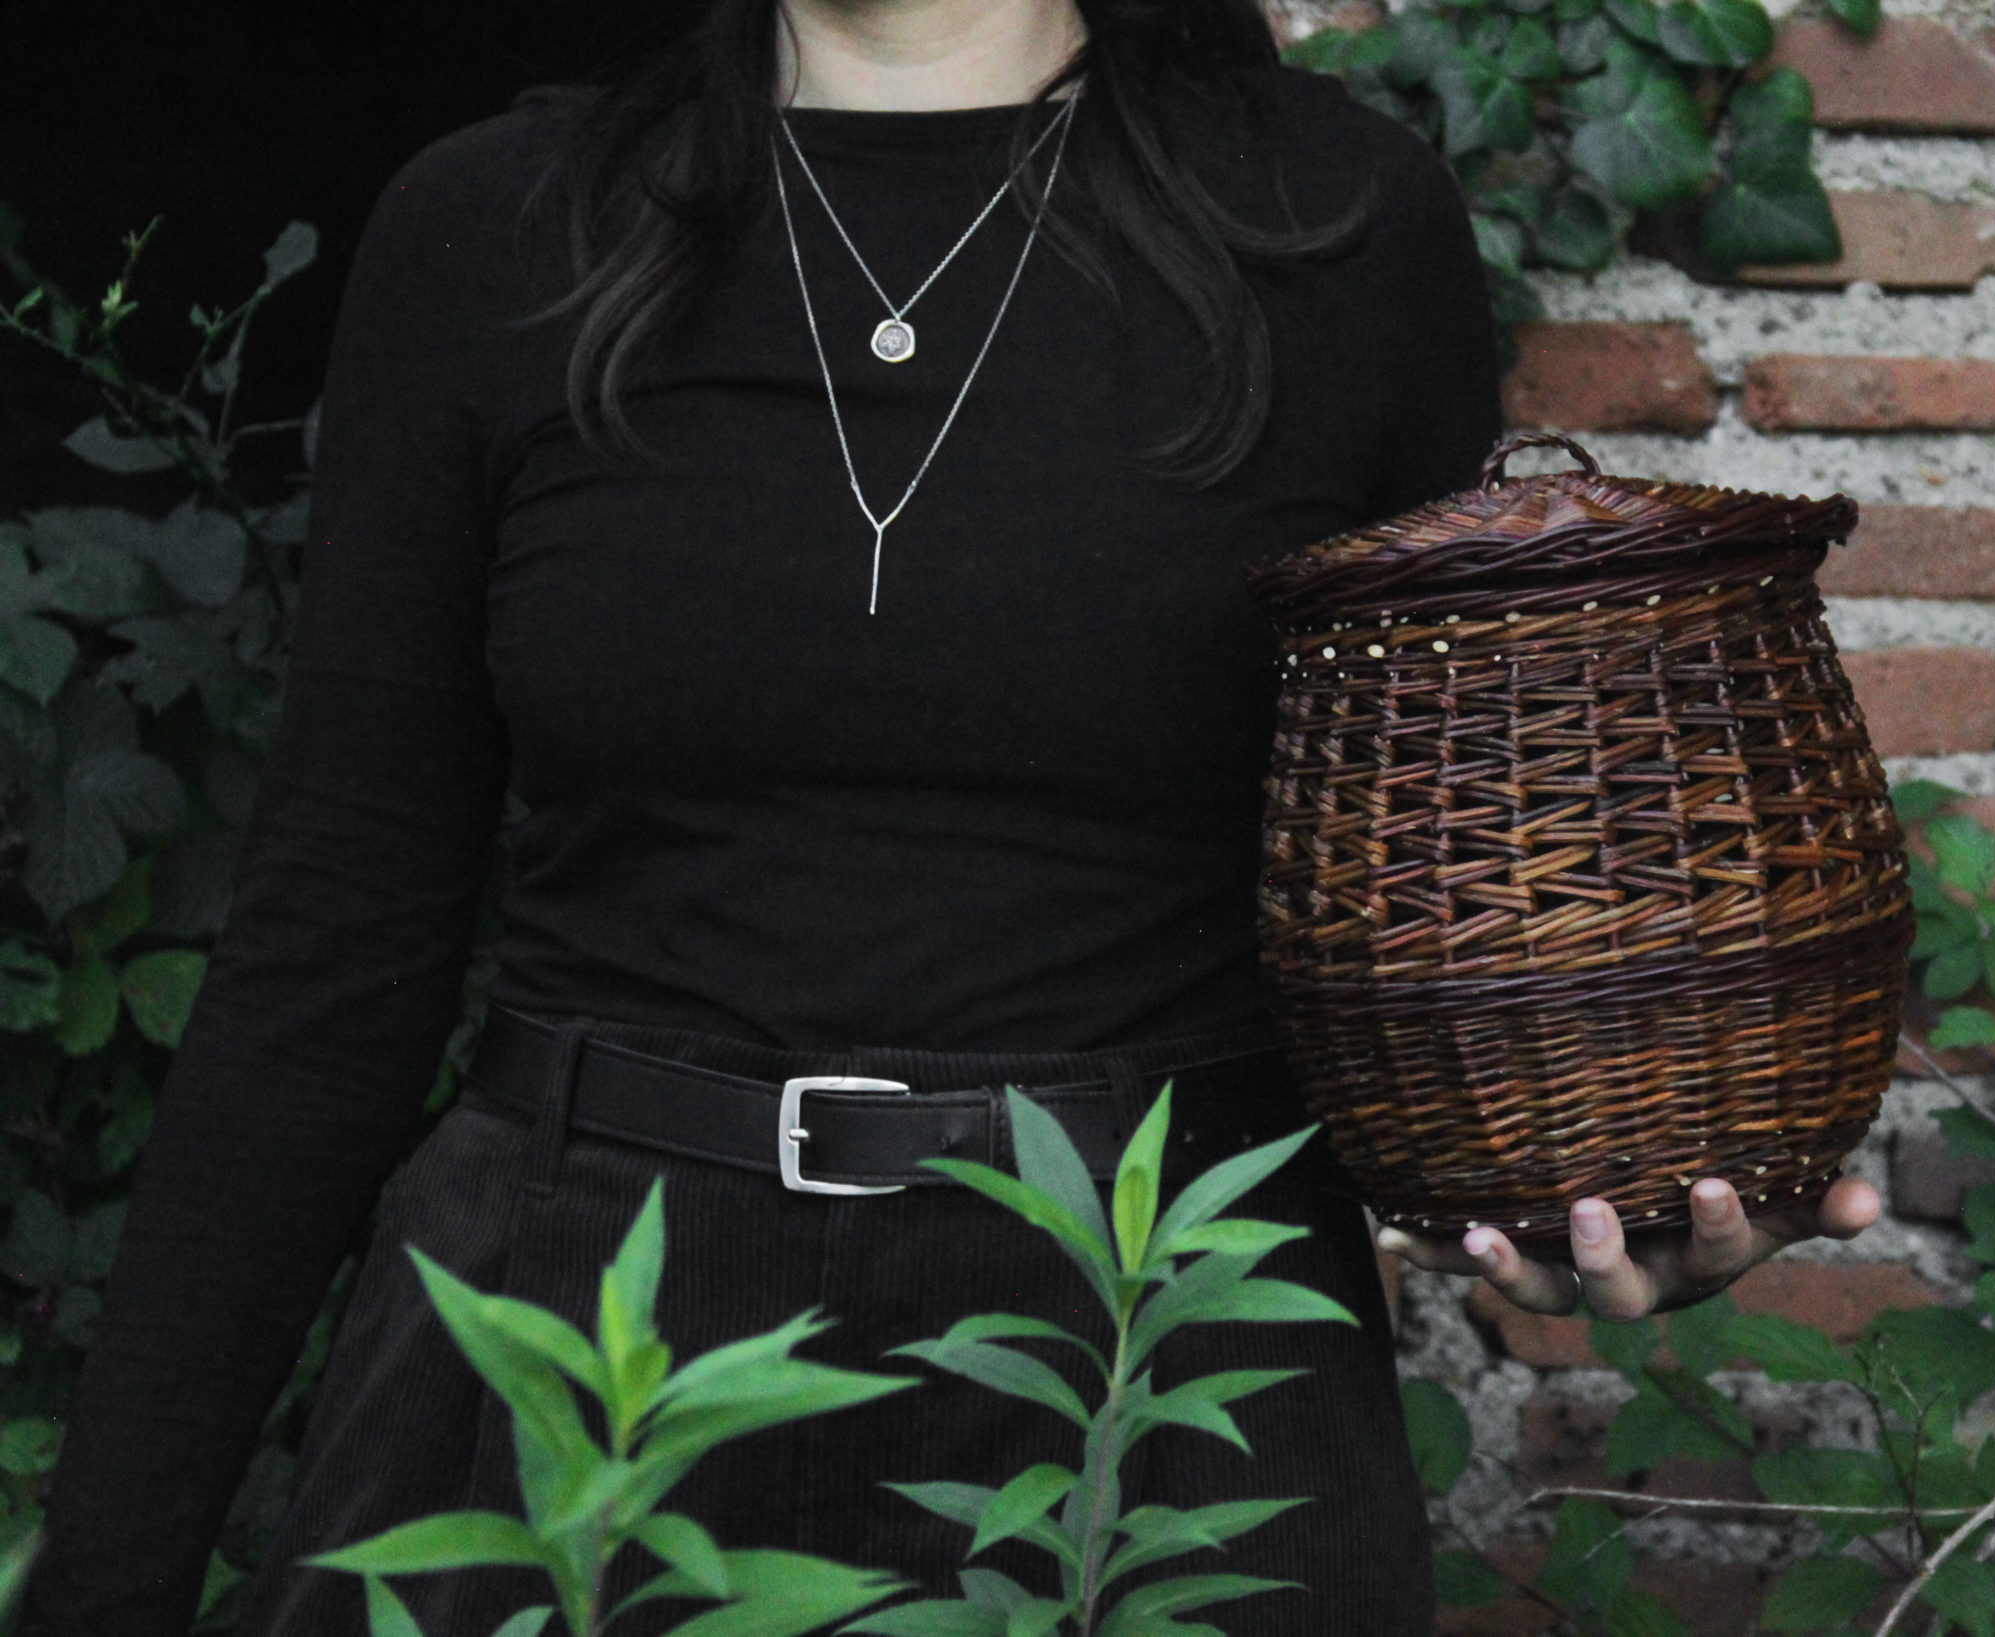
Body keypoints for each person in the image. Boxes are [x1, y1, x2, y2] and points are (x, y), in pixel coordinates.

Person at [22, 0, 1880, 1630]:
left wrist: (1577, 1194)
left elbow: (1453, 865)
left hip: (1147, 1352)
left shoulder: (1331, 222)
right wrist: (103, 1585)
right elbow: (330, 948)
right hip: (585, 1341)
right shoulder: (499, 228)